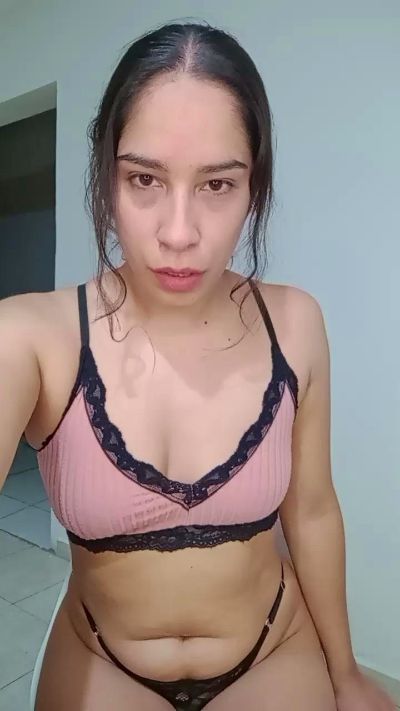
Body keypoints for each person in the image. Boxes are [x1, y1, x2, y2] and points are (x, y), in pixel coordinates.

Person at [0, 19, 395, 711]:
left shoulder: (295, 323)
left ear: (254, 186)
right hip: (103, 657)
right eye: (144, 178)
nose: (179, 233)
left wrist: (346, 674)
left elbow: (312, 511)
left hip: (273, 646)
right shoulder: (31, 337)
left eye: (217, 184)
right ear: (106, 178)